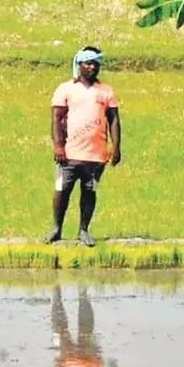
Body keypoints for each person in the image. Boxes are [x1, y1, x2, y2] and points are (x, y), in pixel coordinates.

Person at [46, 46, 122, 247]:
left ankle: (84, 230)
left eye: (96, 63)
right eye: (88, 63)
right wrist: (58, 146)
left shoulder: (106, 91)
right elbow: (56, 119)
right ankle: (56, 228)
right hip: (69, 154)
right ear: (79, 65)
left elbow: (114, 120)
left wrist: (116, 147)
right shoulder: (66, 89)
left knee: (89, 192)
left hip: (96, 155)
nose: (92, 67)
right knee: (62, 190)